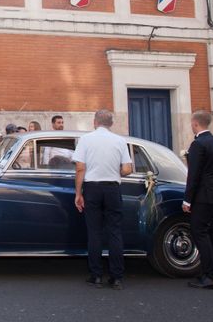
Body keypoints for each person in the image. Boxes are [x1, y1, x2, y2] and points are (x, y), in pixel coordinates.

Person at [73, 109, 133, 290]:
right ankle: (116, 277)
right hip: (113, 188)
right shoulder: (120, 140)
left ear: (95, 122)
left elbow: (80, 168)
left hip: (92, 188)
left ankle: (96, 275)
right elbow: (128, 169)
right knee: (115, 232)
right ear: (111, 123)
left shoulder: (86, 139)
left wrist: (78, 193)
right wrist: (116, 171)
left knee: (94, 232)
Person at [183, 110, 213, 289]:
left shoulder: (198, 144)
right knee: (212, 234)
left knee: (200, 233)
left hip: (203, 196)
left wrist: (187, 200)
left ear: (195, 124)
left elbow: (193, 175)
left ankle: (208, 274)